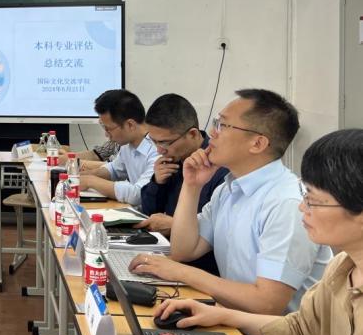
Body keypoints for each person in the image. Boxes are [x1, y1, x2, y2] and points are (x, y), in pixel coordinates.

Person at [154, 128, 363, 335]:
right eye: (305, 194)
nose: (301, 207)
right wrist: (222, 315)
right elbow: (301, 332)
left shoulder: (282, 202)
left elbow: (270, 306)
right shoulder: (342, 268)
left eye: (313, 200)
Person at [129, 89, 331, 314]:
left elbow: (267, 304)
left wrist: (181, 272)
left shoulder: (287, 203)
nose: (212, 133)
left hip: (267, 334)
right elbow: (184, 250)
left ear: (257, 143)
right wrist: (192, 186)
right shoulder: (229, 189)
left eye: (222, 125)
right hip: (231, 318)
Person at [136, 94, 224, 275]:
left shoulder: (219, 169)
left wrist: (174, 225)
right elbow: (149, 211)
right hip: (169, 252)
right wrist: (157, 183)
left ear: (192, 134)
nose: (159, 150)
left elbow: (220, 235)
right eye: (153, 141)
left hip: (201, 268)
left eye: (164, 142)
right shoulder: (172, 161)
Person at [79, 89, 159, 207]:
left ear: (130, 125)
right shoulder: (127, 145)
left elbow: (139, 194)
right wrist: (84, 175)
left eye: (108, 129)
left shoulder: (157, 149)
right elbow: (114, 169)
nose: (106, 135)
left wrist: (90, 181)